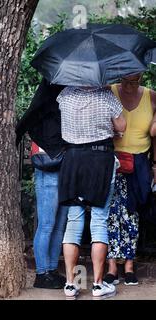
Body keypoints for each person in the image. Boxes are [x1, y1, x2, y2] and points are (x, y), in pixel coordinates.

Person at [56, 86, 126, 298]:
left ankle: (70, 284)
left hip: (73, 160)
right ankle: (97, 285)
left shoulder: (65, 95)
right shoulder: (106, 95)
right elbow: (122, 125)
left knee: (74, 221)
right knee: (99, 220)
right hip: (100, 161)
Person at [104, 73, 156, 286]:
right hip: (113, 161)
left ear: (141, 77)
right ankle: (111, 266)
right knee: (110, 214)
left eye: (133, 82)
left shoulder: (152, 97)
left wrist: (155, 164)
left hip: (139, 163)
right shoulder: (110, 91)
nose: (128, 86)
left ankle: (129, 265)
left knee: (132, 215)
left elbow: (154, 136)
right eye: (125, 81)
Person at [31, 142, 68, 289]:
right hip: (48, 165)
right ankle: (41, 274)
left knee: (58, 226)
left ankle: (51, 270)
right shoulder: (44, 119)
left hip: (64, 168)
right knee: (47, 225)